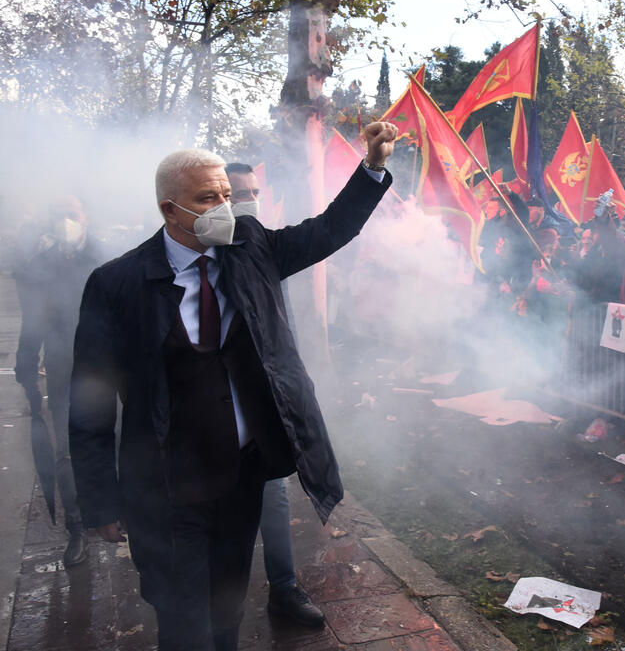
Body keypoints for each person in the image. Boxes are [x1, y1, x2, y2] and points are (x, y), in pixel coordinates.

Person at [68, 121, 397, 651]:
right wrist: (99, 500)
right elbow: (91, 401)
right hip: (167, 485)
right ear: (170, 209)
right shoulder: (117, 284)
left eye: (227, 194)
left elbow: (330, 230)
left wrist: (373, 168)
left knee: (227, 605)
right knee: (182, 620)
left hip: (241, 476)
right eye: (208, 198)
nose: (225, 207)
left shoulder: (252, 247)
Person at [223, 162, 324, 627]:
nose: (248, 201)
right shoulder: (194, 256)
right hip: (213, 409)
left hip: (261, 402)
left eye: (253, 192)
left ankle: (283, 589)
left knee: (274, 495)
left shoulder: (263, 246)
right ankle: (220, 605)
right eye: (237, 193)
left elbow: (281, 322)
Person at [14, 196, 104, 568]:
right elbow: (32, 320)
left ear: (86, 217)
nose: (65, 222)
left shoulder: (106, 258)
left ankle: (119, 515)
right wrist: (25, 363)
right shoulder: (41, 266)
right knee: (66, 451)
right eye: (58, 216)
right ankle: (77, 527)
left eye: (71, 214)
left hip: (107, 370)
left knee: (115, 445)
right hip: (62, 368)